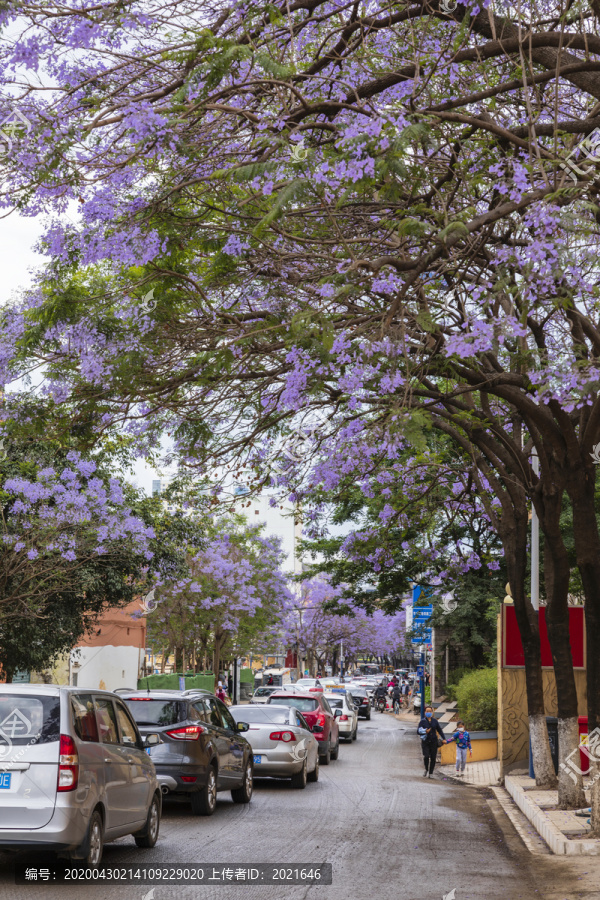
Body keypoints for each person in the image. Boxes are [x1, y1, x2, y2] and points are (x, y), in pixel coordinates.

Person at [417, 705, 444, 777]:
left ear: (432, 712)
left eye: (430, 711)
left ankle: (431, 772)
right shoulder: (422, 722)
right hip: (425, 741)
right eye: (427, 711)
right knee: (426, 756)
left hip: (433, 742)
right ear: (425, 712)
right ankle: (426, 769)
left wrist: (444, 738)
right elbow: (418, 731)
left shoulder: (435, 721)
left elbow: (439, 730)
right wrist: (425, 731)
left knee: (433, 757)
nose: (428, 713)